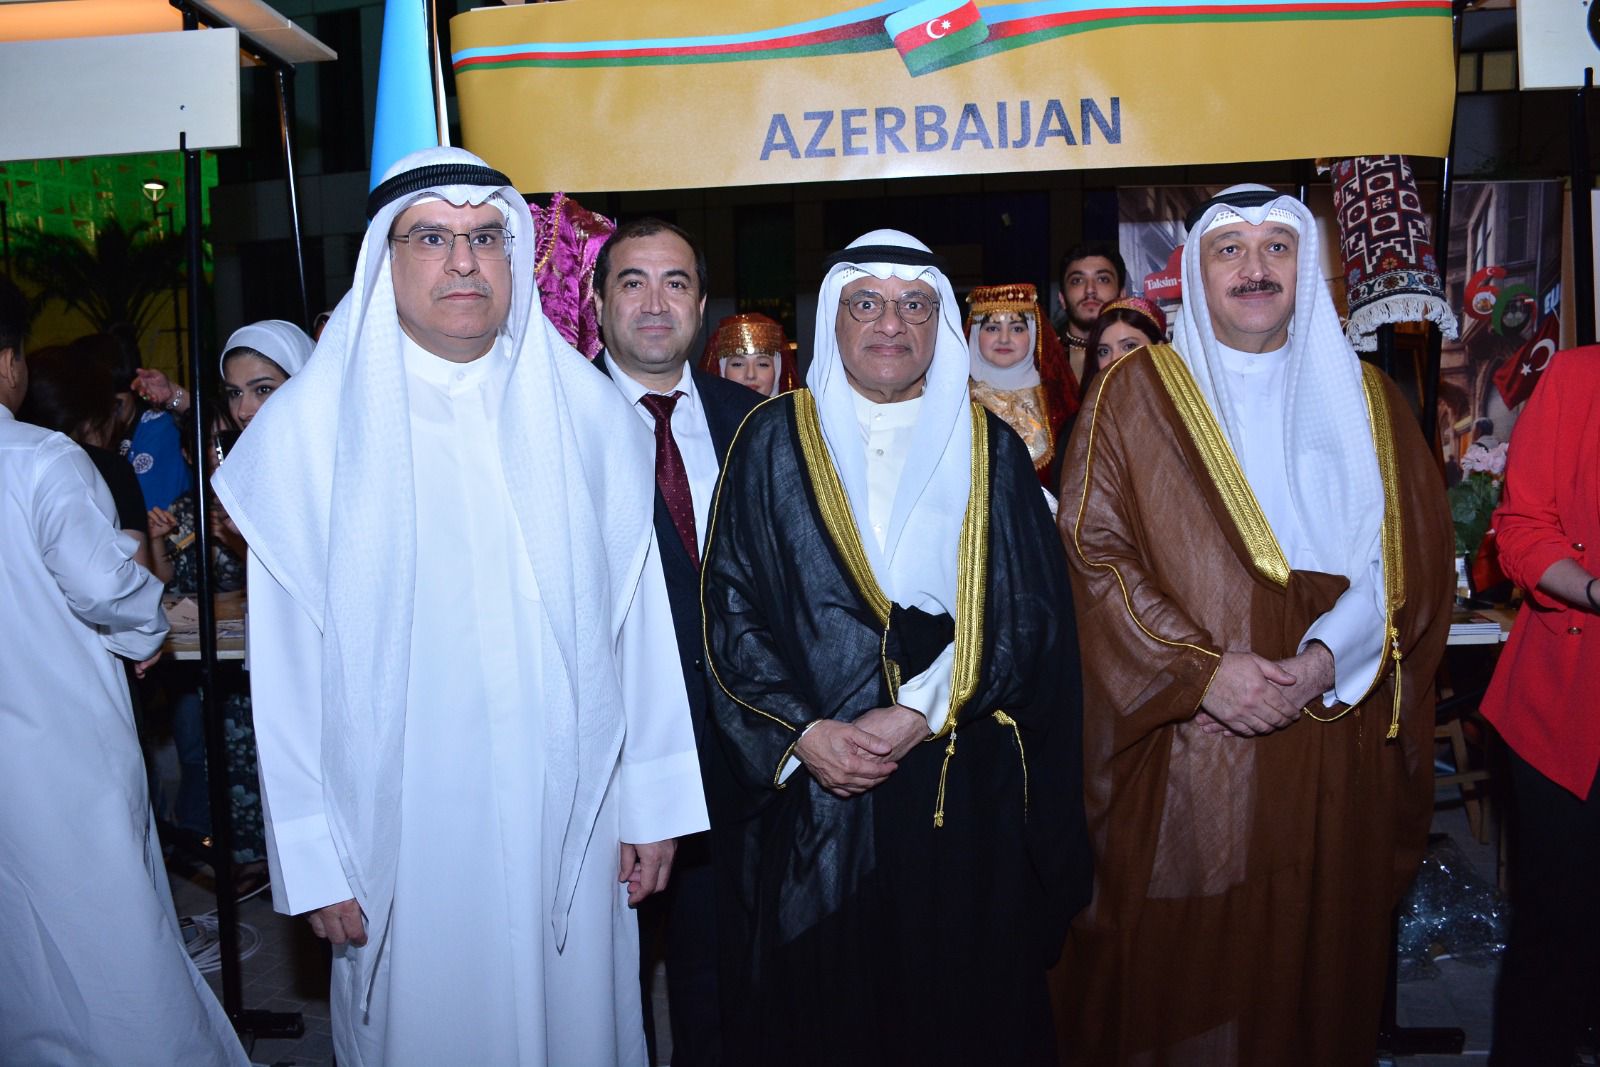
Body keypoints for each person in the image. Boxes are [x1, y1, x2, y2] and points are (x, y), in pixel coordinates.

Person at [211, 147, 707, 1066]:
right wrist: (315, 855)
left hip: (573, 813)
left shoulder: (590, 415)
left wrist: (653, 799)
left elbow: (636, 632)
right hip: (404, 825)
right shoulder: (310, 434)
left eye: (485, 235)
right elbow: (285, 674)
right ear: (384, 258)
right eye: (432, 238)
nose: (465, 260)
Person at [1056, 185, 1454, 1066]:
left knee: (1319, 966)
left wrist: (1322, 659)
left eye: (1278, 245)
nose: (1255, 267)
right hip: (1192, 744)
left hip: (1334, 731)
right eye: (1230, 249)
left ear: (1306, 267)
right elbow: (1094, 554)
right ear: (1195, 273)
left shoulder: (1372, 399)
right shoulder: (1134, 394)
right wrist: (1204, 674)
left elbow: (1409, 561)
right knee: (1186, 973)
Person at [701, 229, 1090, 1066]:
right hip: (813, 788)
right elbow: (729, 610)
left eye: (914, 305)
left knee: (955, 1008)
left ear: (939, 325)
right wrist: (806, 732)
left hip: (956, 782)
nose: (890, 323)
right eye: (866, 303)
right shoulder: (770, 439)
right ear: (833, 321)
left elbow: (1028, 613)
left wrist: (920, 709)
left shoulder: (991, 447)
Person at [0, 276, 248, 1066]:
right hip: (58, 745)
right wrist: (146, 629)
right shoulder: (39, 458)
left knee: (22, 949)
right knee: (114, 940)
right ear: (7, 361)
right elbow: (104, 584)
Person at [591, 218, 763, 1067]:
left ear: (700, 304)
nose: (655, 303)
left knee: (724, 988)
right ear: (597, 303)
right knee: (603, 995)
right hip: (607, 768)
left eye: (676, 283)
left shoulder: (754, 422)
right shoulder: (554, 422)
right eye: (633, 282)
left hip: (736, 769)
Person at [1478, 344, 1600, 1066]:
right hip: (1568, 702)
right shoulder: (1577, 378)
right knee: (1558, 929)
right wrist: (1591, 587)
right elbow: (1522, 527)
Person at [964, 282, 1075, 483]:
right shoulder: (955, 400)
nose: (1004, 339)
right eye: (992, 328)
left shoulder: (1056, 399)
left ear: (1033, 332)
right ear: (975, 333)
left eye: (1016, 328)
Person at [1054, 241, 1126, 390]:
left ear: (1122, 295)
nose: (1090, 290)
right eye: (1077, 281)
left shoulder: (1139, 355)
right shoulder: (1041, 360)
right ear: (1062, 299)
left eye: (1103, 279)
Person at [698, 311, 798, 397]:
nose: (750, 375)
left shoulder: (792, 414)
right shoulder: (702, 414)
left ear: (778, 370)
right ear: (721, 369)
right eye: (738, 364)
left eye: (762, 364)